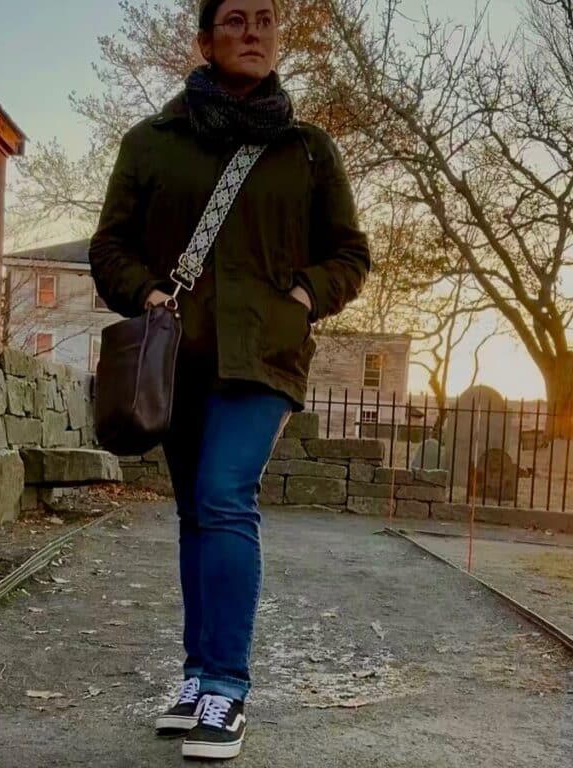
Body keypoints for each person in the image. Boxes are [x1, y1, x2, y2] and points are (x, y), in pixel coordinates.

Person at [88, 0, 370, 759]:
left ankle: (226, 688)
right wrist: (147, 292)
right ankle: (194, 675)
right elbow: (109, 246)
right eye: (236, 20)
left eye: (266, 20)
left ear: (279, 37)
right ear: (206, 39)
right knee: (194, 513)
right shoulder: (151, 142)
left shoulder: (309, 149)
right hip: (176, 359)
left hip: (264, 359)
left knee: (223, 495)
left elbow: (350, 254)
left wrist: (304, 298)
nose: (253, 33)